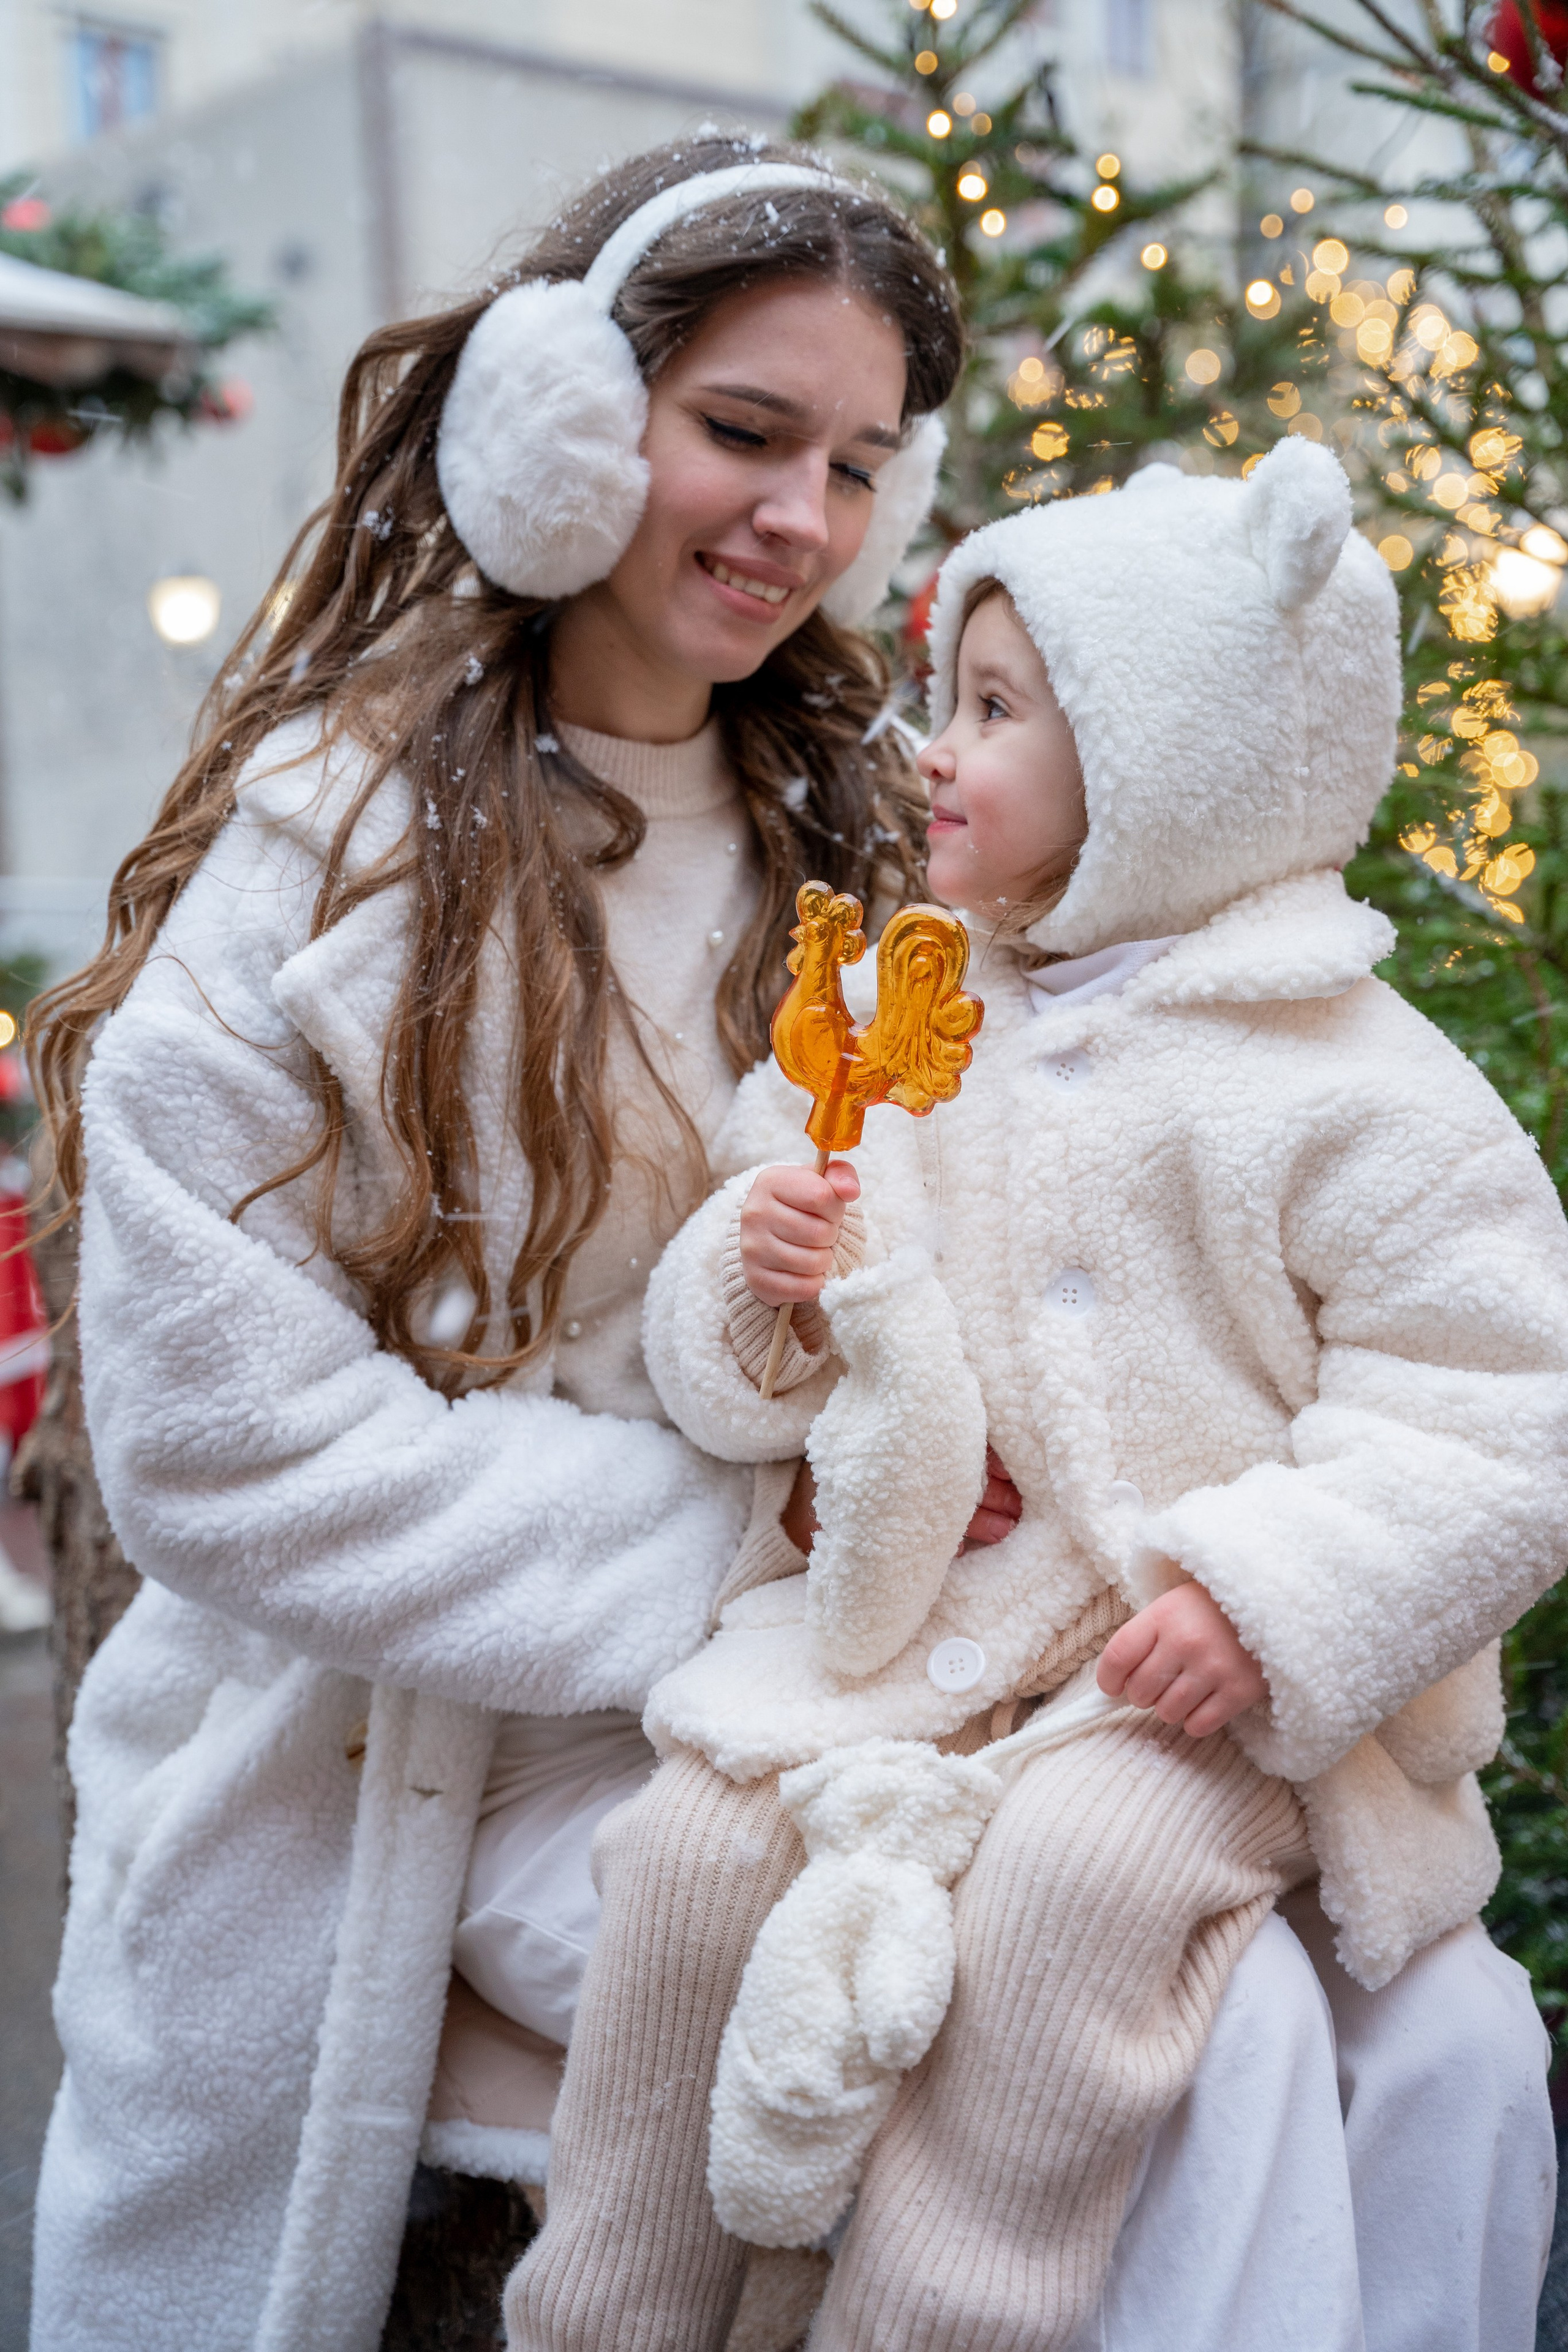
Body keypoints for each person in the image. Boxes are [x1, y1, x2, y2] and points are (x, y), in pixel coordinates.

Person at [24, 137, 965, 2352]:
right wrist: (733, 1549)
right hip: (388, 1760)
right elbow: (225, 1444)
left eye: (857, 463)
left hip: (789, 1699)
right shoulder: (329, 868)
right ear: (551, 421)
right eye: (741, 433)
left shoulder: (873, 858)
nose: (800, 524)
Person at [508, 441, 1567, 2351]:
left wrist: (1268, 1600)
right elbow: (746, 1368)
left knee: (1069, 1898)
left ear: (1178, 758)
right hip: (930, 1627)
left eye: (995, 710)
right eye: (944, 694)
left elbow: (1499, 1408)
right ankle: (610, 2313)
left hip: (1193, 1692)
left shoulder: (1353, 1080)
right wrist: (759, 1290)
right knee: (684, 1858)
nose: (932, 747)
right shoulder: (913, 1021)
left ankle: (938, 2320)